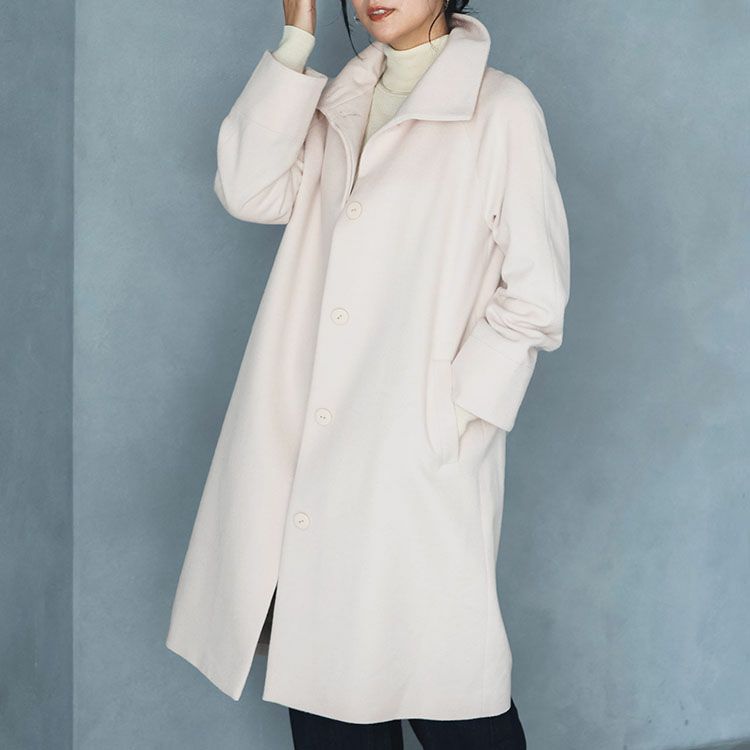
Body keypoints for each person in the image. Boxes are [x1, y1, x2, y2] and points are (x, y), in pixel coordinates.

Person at [165, 1, 570, 747]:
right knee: (328, 689)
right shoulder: (337, 102)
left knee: (451, 690)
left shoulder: (501, 108)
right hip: (307, 446)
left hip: (416, 456)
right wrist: (297, 38)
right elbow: (248, 189)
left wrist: (450, 416)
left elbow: (537, 295)